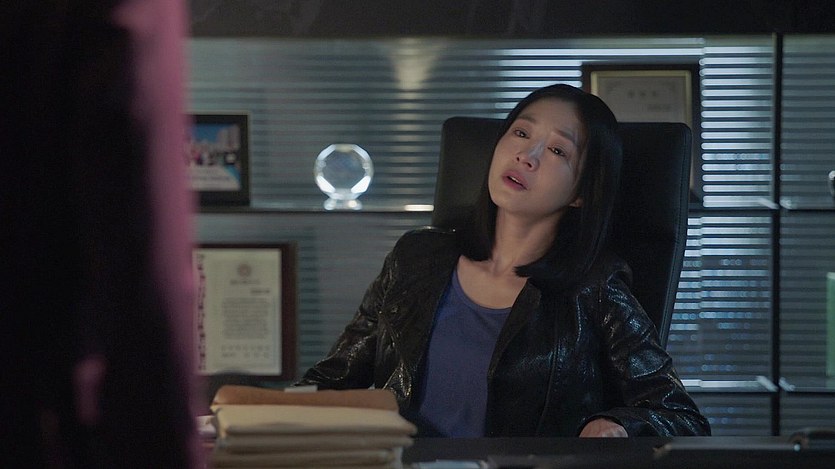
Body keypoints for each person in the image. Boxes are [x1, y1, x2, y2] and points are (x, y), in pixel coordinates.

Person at [297, 84, 711, 438]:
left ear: (581, 193)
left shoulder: (595, 289)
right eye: (520, 132)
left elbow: (680, 416)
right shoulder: (414, 259)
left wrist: (617, 425)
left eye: (557, 150)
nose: (527, 155)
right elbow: (332, 381)